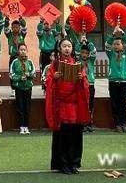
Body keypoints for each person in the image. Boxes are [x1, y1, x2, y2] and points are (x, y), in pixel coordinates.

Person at [45, 38, 90, 175]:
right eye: (64, 46)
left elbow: (86, 84)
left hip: (75, 105)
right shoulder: (54, 65)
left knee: (76, 134)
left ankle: (74, 163)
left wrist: (81, 80)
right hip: (61, 106)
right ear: (60, 48)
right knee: (62, 135)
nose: (66, 48)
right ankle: (62, 163)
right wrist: (55, 78)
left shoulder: (77, 64)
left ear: (72, 49)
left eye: (69, 46)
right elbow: (48, 83)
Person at [105, 27, 126, 133]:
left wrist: (122, 33)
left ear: (122, 45)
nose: (116, 46)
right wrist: (112, 35)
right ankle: (117, 124)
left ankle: (124, 123)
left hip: (124, 82)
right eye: (115, 44)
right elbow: (107, 46)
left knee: (123, 104)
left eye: (118, 44)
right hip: (113, 82)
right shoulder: (111, 54)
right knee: (114, 104)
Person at [9, 43, 35, 135]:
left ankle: (26, 126)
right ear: (18, 51)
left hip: (28, 87)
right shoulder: (15, 62)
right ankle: (21, 126)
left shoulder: (30, 62)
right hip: (19, 88)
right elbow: (11, 74)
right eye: (21, 50)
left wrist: (29, 75)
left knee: (27, 107)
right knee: (20, 107)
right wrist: (19, 78)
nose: (23, 51)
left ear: (26, 51)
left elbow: (34, 73)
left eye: (24, 49)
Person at [79, 39, 96, 132]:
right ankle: (83, 124)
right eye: (82, 53)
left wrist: (88, 42)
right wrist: (81, 42)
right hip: (81, 86)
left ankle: (89, 124)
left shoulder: (91, 60)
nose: (84, 54)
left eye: (86, 53)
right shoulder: (78, 60)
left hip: (91, 85)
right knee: (82, 105)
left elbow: (94, 51)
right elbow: (76, 50)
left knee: (90, 105)